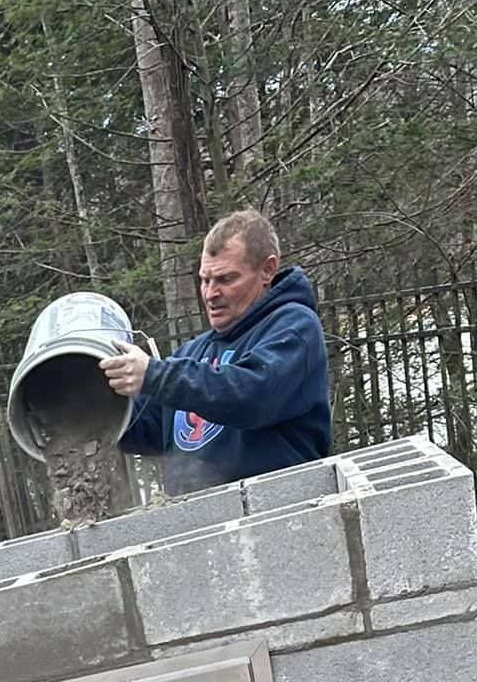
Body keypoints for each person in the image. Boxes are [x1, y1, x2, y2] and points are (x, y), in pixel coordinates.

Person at [104, 208, 332, 492]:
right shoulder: (192, 353)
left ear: (267, 270)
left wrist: (155, 374)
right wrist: (91, 410)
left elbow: (251, 394)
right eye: (204, 279)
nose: (211, 293)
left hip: (280, 515)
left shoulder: (295, 327)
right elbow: (147, 427)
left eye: (226, 279)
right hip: (198, 522)